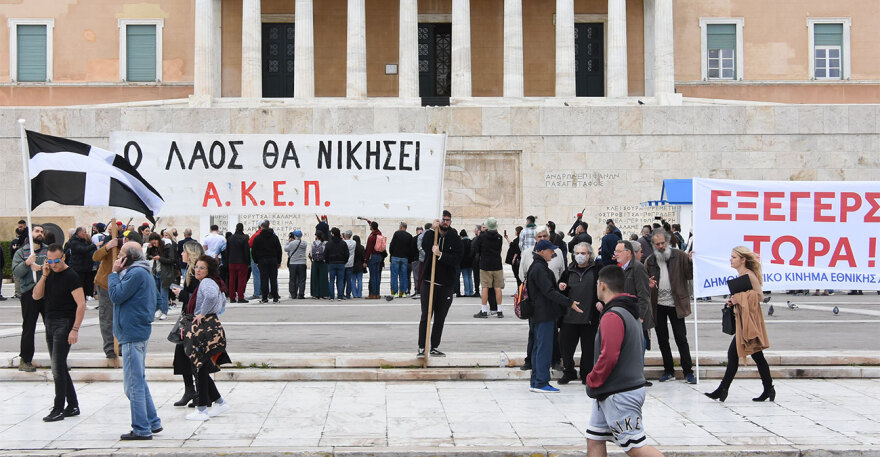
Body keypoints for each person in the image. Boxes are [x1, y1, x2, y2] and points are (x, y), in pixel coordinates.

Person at [586, 265, 664, 457]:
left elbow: (609, 355)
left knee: (636, 447)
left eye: (597, 283)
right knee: (595, 438)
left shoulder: (613, 315)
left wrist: (593, 379)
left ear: (603, 286)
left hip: (619, 392)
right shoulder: (629, 311)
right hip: (613, 391)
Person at [108, 242, 162, 440]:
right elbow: (157, 299)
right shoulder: (143, 272)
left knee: (132, 385)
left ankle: (141, 428)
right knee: (138, 380)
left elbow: (116, 295)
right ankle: (153, 421)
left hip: (132, 333)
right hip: (138, 330)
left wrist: (114, 274)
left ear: (128, 258)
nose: (117, 258)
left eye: (121, 254)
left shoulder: (136, 273)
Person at [706, 246, 773, 403]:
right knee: (756, 355)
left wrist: (740, 298)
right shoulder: (742, 275)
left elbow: (760, 297)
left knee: (738, 355)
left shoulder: (749, 276)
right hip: (744, 321)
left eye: (734, 257)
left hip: (751, 322)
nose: (731, 259)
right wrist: (734, 301)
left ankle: (723, 390)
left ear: (743, 260)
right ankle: (768, 389)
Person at [31, 243, 86, 422]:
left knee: (57, 369)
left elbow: (81, 304)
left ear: (63, 257)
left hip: (65, 323)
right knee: (60, 366)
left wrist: (75, 329)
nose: (53, 264)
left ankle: (58, 408)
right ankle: (73, 405)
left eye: (56, 260)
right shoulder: (49, 274)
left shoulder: (71, 276)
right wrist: (44, 276)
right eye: (49, 260)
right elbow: (36, 296)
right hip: (50, 322)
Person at [527, 239, 582, 393]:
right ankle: (541, 382)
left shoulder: (538, 266)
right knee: (543, 348)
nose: (553, 252)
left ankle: (536, 381)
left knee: (539, 348)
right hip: (544, 314)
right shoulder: (539, 268)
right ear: (542, 251)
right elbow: (548, 292)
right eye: (550, 250)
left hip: (540, 313)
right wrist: (569, 302)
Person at [644, 229, 696, 384]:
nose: (660, 246)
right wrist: (649, 285)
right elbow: (646, 281)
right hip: (658, 305)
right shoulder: (650, 260)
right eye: (657, 244)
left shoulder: (680, 256)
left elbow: (690, 274)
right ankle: (668, 370)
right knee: (662, 339)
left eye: (662, 243)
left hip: (676, 304)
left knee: (681, 338)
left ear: (667, 242)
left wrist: (692, 262)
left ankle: (688, 371)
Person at [184, 255, 232, 421]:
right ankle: (220, 402)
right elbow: (221, 302)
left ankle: (202, 409)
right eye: (196, 267)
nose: (197, 270)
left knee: (200, 367)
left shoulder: (207, 282)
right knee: (201, 367)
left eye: (202, 267)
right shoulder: (214, 281)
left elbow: (211, 297)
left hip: (205, 328)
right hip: (211, 326)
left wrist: (202, 313)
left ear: (209, 270)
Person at [417, 210, 463, 358]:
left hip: (446, 285)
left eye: (448, 220)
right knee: (426, 316)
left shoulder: (455, 238)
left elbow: (457, 259)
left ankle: (434, 346)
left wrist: (440, 255)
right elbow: (424, 246)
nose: (445, 222)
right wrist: (431, 229)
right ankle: (422, 347)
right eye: (443, 219)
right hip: (429, 282)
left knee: (440, 318)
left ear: (451, 222)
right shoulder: (432, 234)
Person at [519, 228, 565, 371]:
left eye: (545, 235)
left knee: (552, 332)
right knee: (534, 332)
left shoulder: (557, 253)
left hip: (552, 299)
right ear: (535, 238)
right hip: (536, 301)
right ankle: (531, 362)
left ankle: (555, 360)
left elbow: (562, 272)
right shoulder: (527, 254)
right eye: (540, 236)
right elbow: (522, 275)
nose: (543, 238)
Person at [557, 242, 600, 385]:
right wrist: (561, 287)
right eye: (577, 253)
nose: (580, 256)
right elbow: (560, 289)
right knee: (566, 349)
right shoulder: (568, 271)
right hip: (569, 318)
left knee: (588, 350)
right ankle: (568, 372)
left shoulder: (597, 270)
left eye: (583, 253)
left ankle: (585, 374)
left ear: (589, 255)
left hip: (589, 318)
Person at [171, 241, 204, 408]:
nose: (181, 254)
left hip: (193, 320)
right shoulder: (190, 270)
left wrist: (180, 293)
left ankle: (198, 392)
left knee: (191, 357)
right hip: (187, 318)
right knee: (182, 356)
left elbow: (196, 297)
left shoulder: (196, 271)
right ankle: (190, 390)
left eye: (183, 252)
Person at [11, 225, 48, 372]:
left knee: (52, 326)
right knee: (28, 327)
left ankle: (59, 359)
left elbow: (58, 265)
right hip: (29, 293)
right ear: (30, 234)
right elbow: (17, 273)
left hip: (47, 292)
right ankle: (25, 360)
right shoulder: (22, 252)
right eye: (37, 231)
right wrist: (27, 264)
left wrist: (42, 268)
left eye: (41, 232)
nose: (40, 234)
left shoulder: (49, 250)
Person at [617, 240, 654, 384]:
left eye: (619, 251)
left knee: (639, 348)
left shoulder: (637, 268)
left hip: (637, 317)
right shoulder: (620, 268)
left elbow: (644, 295)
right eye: (616, 251)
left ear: (628, 253)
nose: (616, 254)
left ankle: (638, 377)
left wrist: (641, 316)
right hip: (625, 316)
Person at [473, 217, 504, 318]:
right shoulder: (499, 237)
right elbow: (499, 250)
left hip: (485, 265)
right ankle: (499, 311)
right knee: (498, 288)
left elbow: (476, 249)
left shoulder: (482, 237)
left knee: (485, 288)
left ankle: (484, 310)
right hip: (497, 264)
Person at [251, 220, 282, 303]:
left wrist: (256, 261)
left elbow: (254, 251)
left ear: (261, 228)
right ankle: (275, 297)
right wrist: (279, 261)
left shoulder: (258, 238)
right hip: (273, 260)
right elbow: (279, 250)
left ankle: (264, 297)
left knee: (264, 279)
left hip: (262, 260)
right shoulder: (274, 237)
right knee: (273, 279)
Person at [146, 233, 173, 320]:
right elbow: (148, 257)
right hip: (156, 272)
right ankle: (158, 310)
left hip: (164, 273)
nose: (154, 245)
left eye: (154, 243)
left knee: (164, 294)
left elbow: (172, 260)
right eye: (152, 243)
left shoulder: (167, 247)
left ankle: (164, 311)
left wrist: (160, 258)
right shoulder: (154, 248)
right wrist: (149, 249)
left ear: (158, 240)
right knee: (155, 293)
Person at [67, 227, 97, 299]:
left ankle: (84, 300)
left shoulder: (82, 240)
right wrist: (94, 245)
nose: (86, 234)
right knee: (80, 285)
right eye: (84, 232)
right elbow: (83, 250)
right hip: (78, 267)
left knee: (85, 284)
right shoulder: (74, 242)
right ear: (79, 233)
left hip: (85, 267)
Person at [226, 223, 250, 304]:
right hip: (242, 262)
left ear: (236, 228)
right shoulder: (244, 238)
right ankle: (240, 297)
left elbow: (227, 251)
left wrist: (228, 260)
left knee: (232, 280)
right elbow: (246, 252)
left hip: (232, 262)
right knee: (241, 280)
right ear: (242, 229)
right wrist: (248, 262)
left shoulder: (230, 238)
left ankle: (232, 297)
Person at [325, 227, 350, 301]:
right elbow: (347, 254)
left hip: (331, 263)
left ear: (333, 234)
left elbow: (325, 254)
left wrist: (327, 261)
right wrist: (344, 261)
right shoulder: (343, 243)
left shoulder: (328, 243)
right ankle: (340, 296)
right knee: (340, 281)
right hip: (341, 263)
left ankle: (332, 297)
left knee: (331, 281)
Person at [388, 222, 413, 298]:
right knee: (404, 276)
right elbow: (410, 248)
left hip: (395, 257)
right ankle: (403, 292)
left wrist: (391, 253)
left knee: (394, 276)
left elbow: (392, 245)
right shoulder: (409, 236)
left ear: (401, 227)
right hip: (404, 258)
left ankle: (395, 292)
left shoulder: (396, 234)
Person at [285, 230, 308, 299]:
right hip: (302, 263)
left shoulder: (292, 243)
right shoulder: (304, 243)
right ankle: (301, 294)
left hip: (293, 263)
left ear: (295, 236)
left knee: (292, 279)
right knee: (302, 279)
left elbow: (286, 249)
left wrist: (288, 241)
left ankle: (293, 294)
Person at [364, 221, 384, 299]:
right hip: (379, 256)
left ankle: (372, 294)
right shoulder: (379, 234)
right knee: (377, 276)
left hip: (372, 257)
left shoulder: (371, 237)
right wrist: (369, 221)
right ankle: (377, 293)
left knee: (372, 276)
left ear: (371, 227)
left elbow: (368, 250)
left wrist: (365, 260)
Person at [309, 231, 330, 299]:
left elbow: (311, 253)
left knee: (315, 278)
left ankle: (315, 293)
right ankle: (323, 293)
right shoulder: (325, 243)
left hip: (315, 262)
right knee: (323, 278)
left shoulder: (313, 243)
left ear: (316, 236)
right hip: (323, 262)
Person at [458, 229, 474, 297]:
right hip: (470, 261)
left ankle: (466, 292)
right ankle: (471, 291)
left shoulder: (461, 242)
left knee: (465, 277)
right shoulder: (470, 241)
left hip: (463, 262)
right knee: (470, 276)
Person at [408, 227, 423, 296]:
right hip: (422, 259)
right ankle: (421, 290)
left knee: (416, 276)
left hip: (415, 260)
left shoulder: (414, 239)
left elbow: (411, 250)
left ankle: (417, 290)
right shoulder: (424, 238)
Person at [343, 230, 357, 299]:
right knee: (349, 280)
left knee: (342, 280)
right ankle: (348, 294)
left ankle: (342, 293)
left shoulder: (343, 242)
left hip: (344, 262)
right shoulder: (354, 242)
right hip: (351, 263)